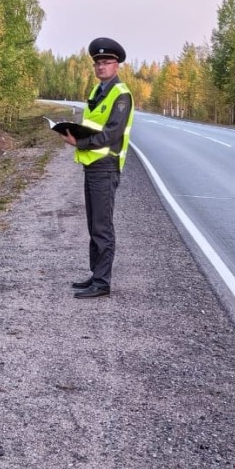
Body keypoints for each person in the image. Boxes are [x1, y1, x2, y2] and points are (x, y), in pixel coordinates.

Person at [59, 37, 134, 298]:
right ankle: (96, 275)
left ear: (117, 65)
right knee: (94, 225)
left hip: (106, 166)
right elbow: (93, 125)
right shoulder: (97, 91)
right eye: (98, 63)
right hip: (92, 166)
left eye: (107, 62)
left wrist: (79, 142)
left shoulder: (120, 94)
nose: (101, 66)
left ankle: (102, 283)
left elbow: (112, 134)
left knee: (102, 226)